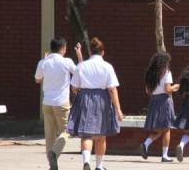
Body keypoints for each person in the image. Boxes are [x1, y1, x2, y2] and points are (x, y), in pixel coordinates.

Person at [67, 37, 124, 170]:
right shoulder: (107, 66)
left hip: (85, 98)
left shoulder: (82, 66)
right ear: (102, 52)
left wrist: (80, 94)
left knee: (86, 134)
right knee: (101, 135)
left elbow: (74, 88)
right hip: (102, 100)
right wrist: (118, 109)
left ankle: (86, 161)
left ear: (90, 52)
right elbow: (112, 89)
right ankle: (99, 165)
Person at [34, 37, 82, 170]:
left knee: (49, 135)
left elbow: (37, 79)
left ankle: (51, 165)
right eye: (65, 48)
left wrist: (44, 60)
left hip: (47, 102)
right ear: (62, 48)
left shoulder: (43, 62)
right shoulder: (66, 61)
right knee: (66, 130)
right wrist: (79, 55)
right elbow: (79, 72)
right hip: (61, 103)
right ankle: (54, 152)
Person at [140, 52, 180, 162]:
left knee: (158, 129)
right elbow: (168, 89)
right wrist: (176, 86)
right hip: (164, 102)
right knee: (166, 129)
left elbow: (148, 91)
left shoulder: (149, 73)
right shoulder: (166, 72)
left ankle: (146, 143)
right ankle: (165, 155)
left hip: (154, 101)